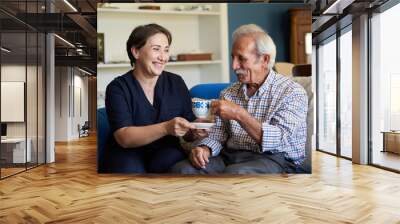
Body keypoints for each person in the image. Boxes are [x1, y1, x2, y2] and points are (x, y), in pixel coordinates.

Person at [172, 24, 308, 174]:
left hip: (276, 159)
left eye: (241, 59)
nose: (234, 66)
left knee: (236, 174)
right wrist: (204, 149)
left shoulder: (292, 92)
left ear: (264, 59)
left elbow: (279, 141)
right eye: (233, 58)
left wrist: (239, 114)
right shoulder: (228, 93)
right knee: (183, 169)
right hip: (232, 156)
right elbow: (218, 136)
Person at [104, 23, 205, 173]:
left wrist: (195, 131)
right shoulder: (117, 88)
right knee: (129, 168)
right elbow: (124, 138)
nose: (163, 57)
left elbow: (188, 131)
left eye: (166, 50)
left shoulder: (176, 83)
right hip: (127, 153)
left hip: (166, 152)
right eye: (156, 49)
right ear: (136, 52)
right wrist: (166, 127)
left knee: (176, 163)